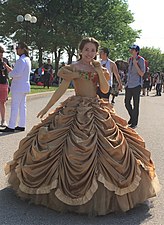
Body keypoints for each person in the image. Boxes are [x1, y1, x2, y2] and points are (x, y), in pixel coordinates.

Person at [5, 37, 160, 216]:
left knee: (114, 145)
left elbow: (103, 90)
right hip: (75, 107)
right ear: (80, 51)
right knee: (59, 144)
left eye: (93, 50)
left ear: (96, 52)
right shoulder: (72, 68)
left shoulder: (100, 68)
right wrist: (47, 107)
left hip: (96, 107)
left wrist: (99, 71)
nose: (89, 53)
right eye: (86, 49)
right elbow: (61, 89)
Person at [0, 42, 31, 132]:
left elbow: (17, 73)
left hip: (18, 86)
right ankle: (22, 124)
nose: (16, 50)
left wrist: (9, 74)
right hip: (24, 86)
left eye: (18, 48)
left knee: (15, 106)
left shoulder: (21, 60)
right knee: (22, 106)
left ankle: (11, 126)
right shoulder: (27, 59)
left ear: (22, 49)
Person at [125, 44, 145, 129]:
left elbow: (141, 73)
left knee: (135, 104)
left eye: (132, 49)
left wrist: (135, 64)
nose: (131, 51)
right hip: (129, 84)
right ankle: (132, 117)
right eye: (131, 49)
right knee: (126, 103)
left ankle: (134, 122)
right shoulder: (129, 59)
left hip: (136, 84)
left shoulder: (141, 60)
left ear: (136, 51)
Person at [0, 46, 10, 127]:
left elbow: (11, 71)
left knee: (2, 102)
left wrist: (6, 65)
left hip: (4, 83)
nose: (1, 54)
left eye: (2, 52)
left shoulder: (5, 60)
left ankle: (3, 120)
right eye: (0, 52)